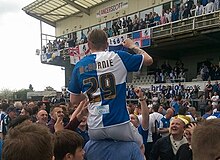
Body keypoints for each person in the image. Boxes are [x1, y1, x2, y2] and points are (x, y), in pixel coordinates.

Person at [68, 29, 153, 144]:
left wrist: (93, 93)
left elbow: (73, 100)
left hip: (94, 126)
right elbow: (149, 60)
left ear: (88, 45)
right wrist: (133, 46)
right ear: (107, 44)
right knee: (140, 145)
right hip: (119, 122)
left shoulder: (79, 65)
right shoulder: (118, 56)